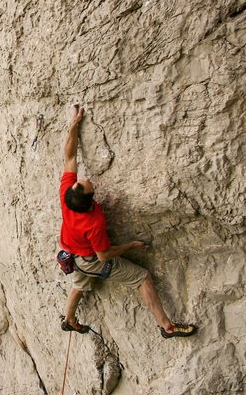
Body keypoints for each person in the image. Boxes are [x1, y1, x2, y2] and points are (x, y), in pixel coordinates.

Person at [59, 104, 196, 338]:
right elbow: (103, 256)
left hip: (72, 254)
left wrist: (73, 125)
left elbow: (70, 156)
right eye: (83, 183)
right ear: (90, 198)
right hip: (90, 259)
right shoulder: (94, 223)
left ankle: (70, 320)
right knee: (142, 278)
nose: (83, 178)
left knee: (80, 284)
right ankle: (168, 327)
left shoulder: (67, 196)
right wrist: (131, 246)